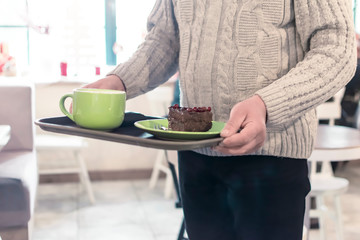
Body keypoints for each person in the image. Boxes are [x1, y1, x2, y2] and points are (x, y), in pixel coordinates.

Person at [83, 1, 357, 239]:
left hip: (272, 158)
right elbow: (165, 40)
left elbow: (337, 49)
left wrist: (267, 105)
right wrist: (120, 81)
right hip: (195, 154)